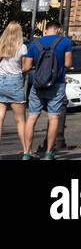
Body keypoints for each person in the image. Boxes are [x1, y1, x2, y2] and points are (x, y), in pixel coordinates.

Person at [22, 20, 72, 160]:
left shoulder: (34, 44)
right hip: (57, 83)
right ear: (58, 30)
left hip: (38, 84)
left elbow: (27, 66)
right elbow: (68, 63)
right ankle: (49, 153)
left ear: (46, 30)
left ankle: (27, 153)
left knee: (32, 117)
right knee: (54, 116)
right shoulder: (65, 42)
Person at [0, 22, 31, 158]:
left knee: (0, 119)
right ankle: (26, 152)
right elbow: (25, 67)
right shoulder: (22, 47)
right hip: (15, 82)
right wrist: (20, 72)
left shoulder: (0, 45)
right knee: (20, 120)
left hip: (0, 80)